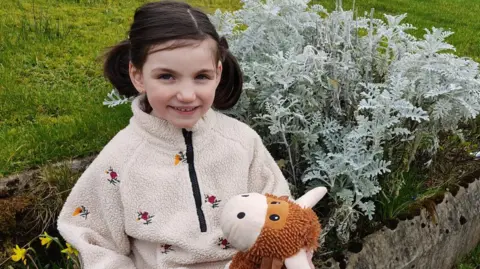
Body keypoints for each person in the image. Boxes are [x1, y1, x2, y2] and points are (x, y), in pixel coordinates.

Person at [56, 1, 295, 268]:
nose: (186, 94)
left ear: (218, 74)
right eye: (167, 76)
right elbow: (92, 237)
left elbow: (282, 211)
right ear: (137, 76)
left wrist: (280, 252)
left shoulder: (242, 142)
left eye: (201, 76)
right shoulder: (121, 158)